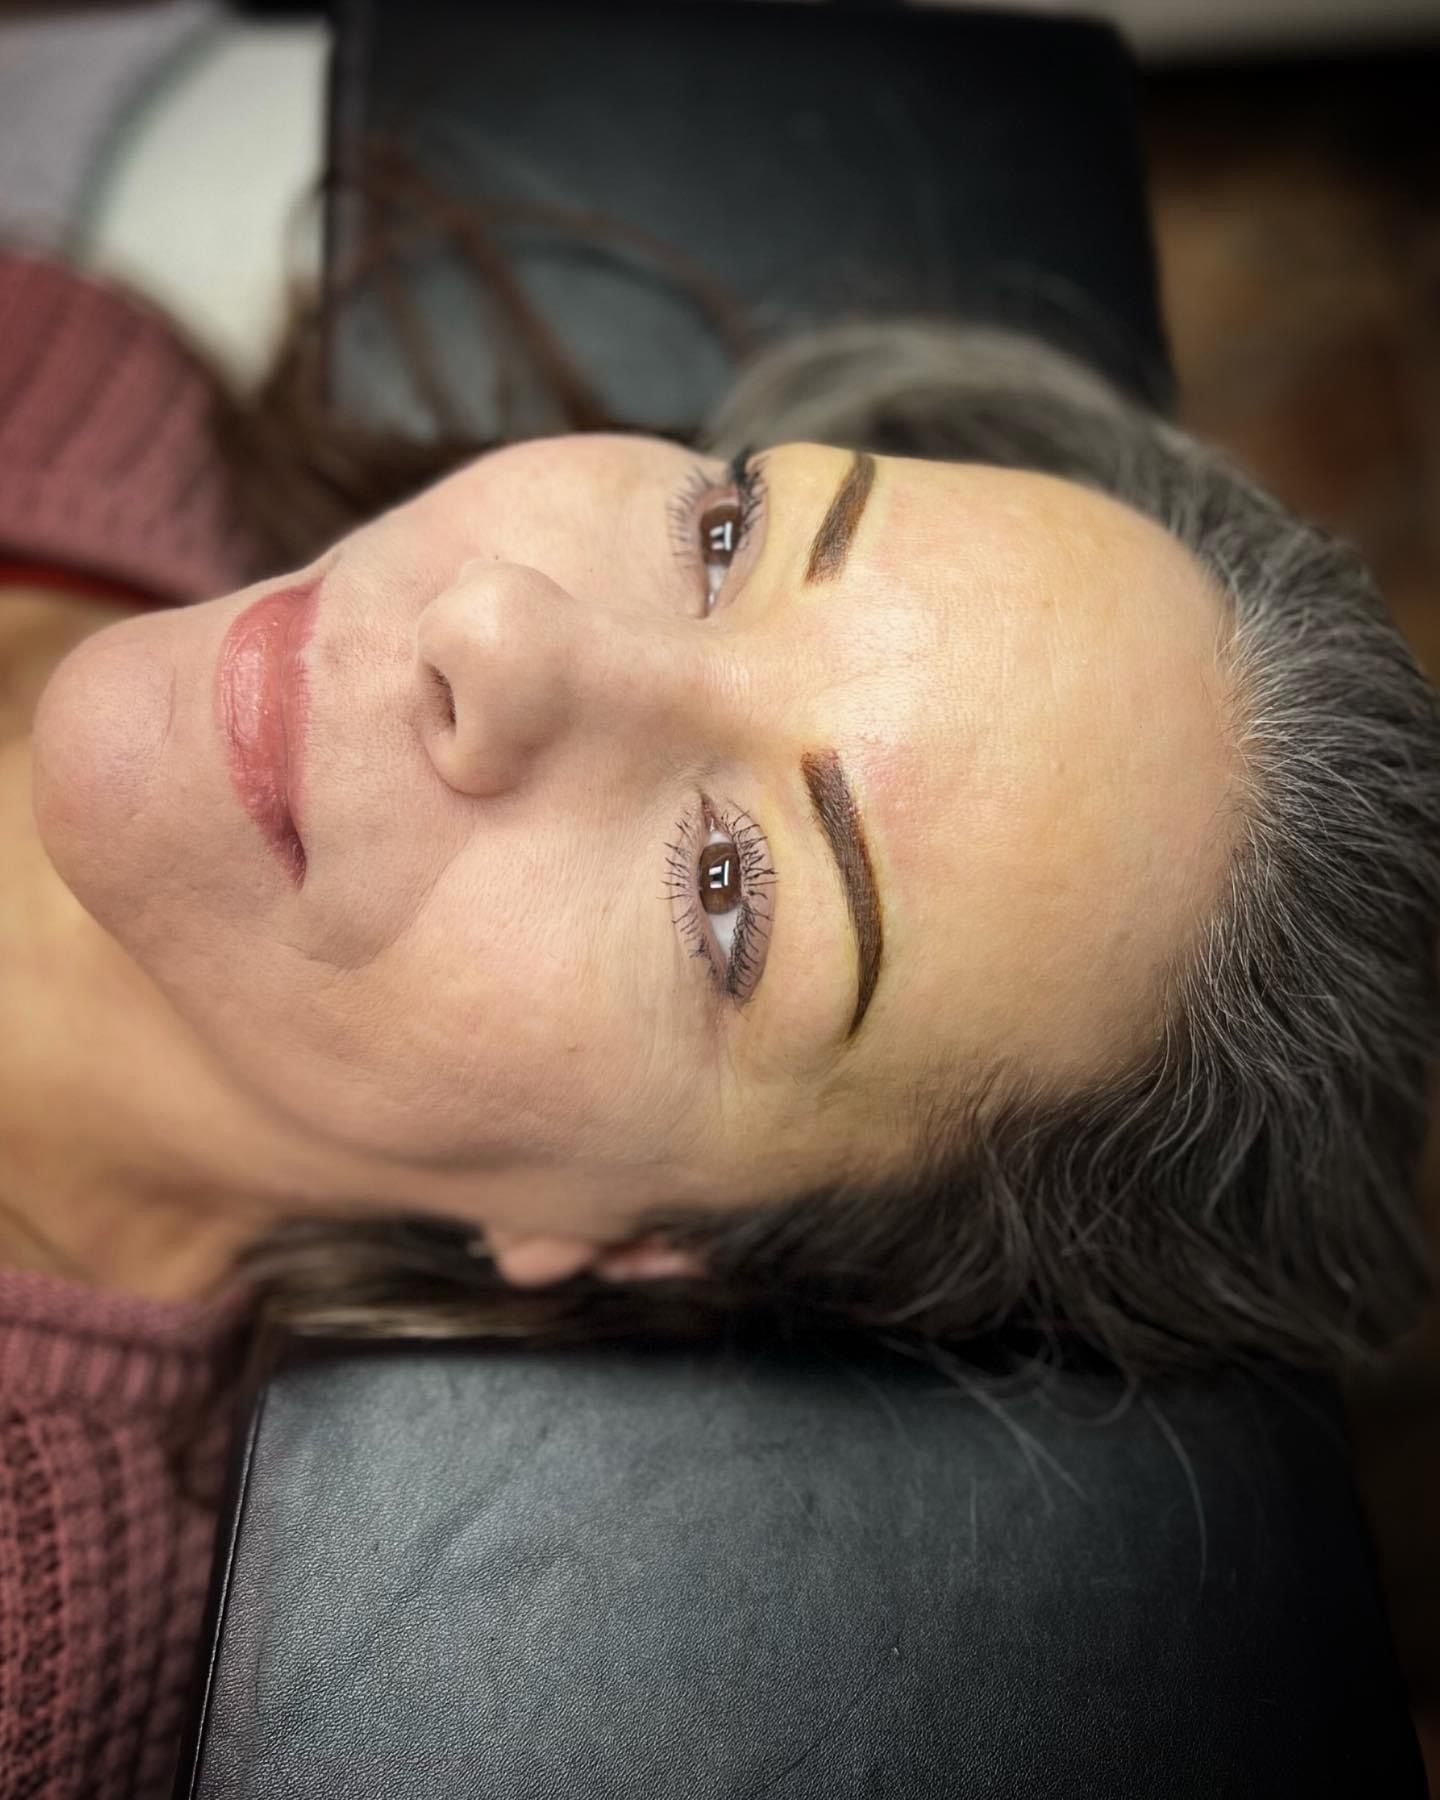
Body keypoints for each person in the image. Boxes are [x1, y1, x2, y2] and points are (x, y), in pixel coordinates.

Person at [2, 238, 1438, 1797]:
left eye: (729, 899)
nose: (500, 628)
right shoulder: (77, 382)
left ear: (647, 1240)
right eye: (729, 535)